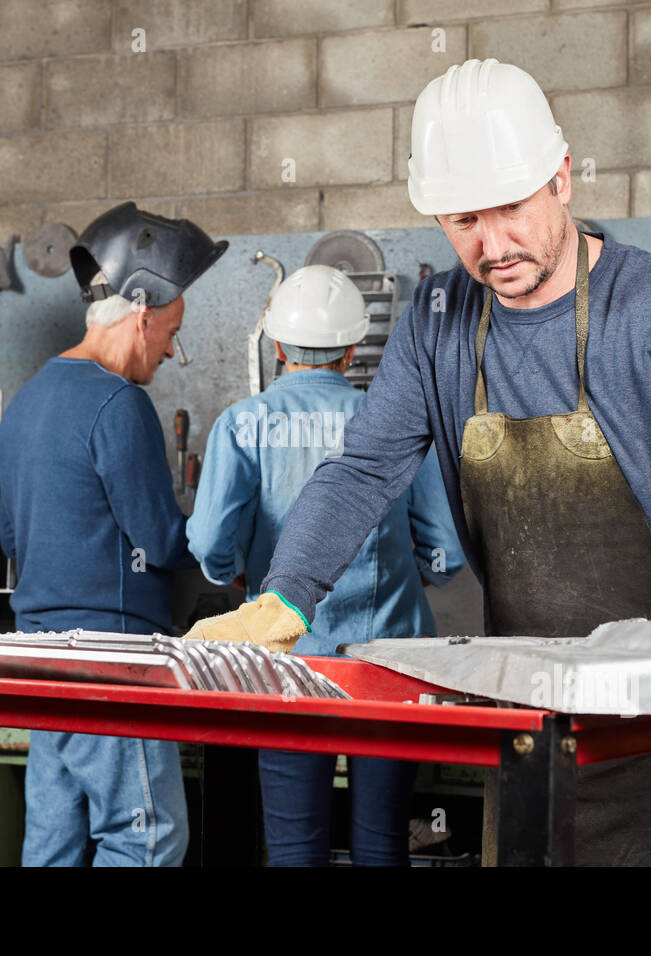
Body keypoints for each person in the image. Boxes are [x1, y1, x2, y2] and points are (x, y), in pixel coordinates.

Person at [185, 60, 651, 866]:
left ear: (560, 178)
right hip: (529, 699)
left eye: (511, 210)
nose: (492, 247)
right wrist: (283, 598)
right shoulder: (435, 326)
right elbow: (360, 473)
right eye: (463, 221)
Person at [186, 265, 465, 866]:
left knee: (293, 847)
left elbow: (210, 544)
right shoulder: (394, 424)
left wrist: (241, 577)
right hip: (391, 666)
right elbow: (446, 551)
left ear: (278, 346)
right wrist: (399, 576)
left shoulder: (243, 423)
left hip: (287, 664)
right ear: (354, 348)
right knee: (382, 842)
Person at [0, 202, 225, 867]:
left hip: (37, 656)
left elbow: (16, 538)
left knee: (54, 842)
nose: (170, 350)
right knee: (145, 838)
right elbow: (160, 541)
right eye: (171, 330)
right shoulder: (118, 402)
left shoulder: (29, 399)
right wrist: (225, 549)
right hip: (108, 658)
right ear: (141, 310)